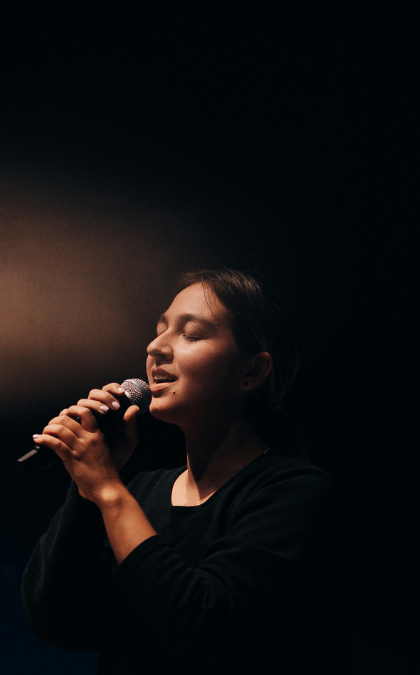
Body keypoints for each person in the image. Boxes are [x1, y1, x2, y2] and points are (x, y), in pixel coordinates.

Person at [21, 268, 343, 674]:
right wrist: (88, 489)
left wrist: (107, 491)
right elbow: (56, 619)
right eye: (160, 331)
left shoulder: (293, 492)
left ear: (251, 372)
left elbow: (201, 626)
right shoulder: (139, 494)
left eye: (191, 334)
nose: (155, 347)